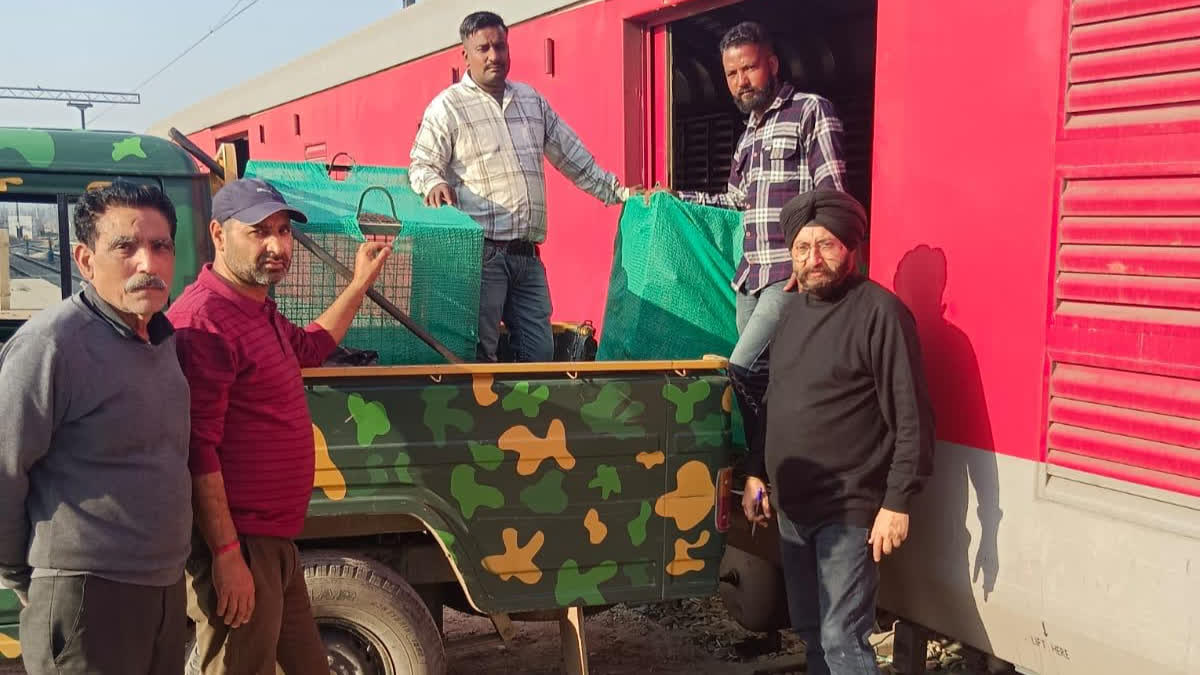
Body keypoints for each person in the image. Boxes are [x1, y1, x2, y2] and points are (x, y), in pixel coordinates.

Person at [168, 178, 389, 675]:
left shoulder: (255, 307)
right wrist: (226, 556)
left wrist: (358, 286)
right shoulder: (204, 322)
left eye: (284, 231)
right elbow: (198, 451)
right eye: (259, 232)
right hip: (242, 546)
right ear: (218, 235)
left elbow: (310, 348)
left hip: (274, 545)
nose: (277, 246)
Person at [0, 182, 192, 675]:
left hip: (164, 592)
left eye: (161, 246)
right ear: (85, 261)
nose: (148, 263)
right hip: (86, 598)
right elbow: (4, 471)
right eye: (125, 247)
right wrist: (28, 579)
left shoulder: (162, 341)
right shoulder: (52, 346)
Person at [742, 189, 934, 675]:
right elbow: (773, 402)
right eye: (802, 249)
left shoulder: (882, 315)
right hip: (792, 505)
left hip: (848, 509)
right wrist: (755, 473)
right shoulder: (788, 315)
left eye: (826, 246)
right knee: (810, 631)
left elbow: (913, 418)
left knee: (842, 638)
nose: (813, 260)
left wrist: (897, 502)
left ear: (851, 246)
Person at [666, 20, 849, 464]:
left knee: (738, 370)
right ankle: (768, 471)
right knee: (765, 379)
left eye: (748, 69)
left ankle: (751, 469)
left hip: (788, 276)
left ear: (771, 64)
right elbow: (734, 200)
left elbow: (833, 193)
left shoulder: (810, 110)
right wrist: (674, 197)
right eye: (731, 74)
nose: (740, 81)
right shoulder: (748, 131)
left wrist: (812, 265)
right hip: (749, 279)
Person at [409, 10, 635, 362]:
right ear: (464, 54)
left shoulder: (532, 102)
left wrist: (619, 194)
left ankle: (528, 419)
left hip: (528, 259)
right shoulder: (447, 108)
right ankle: (486, 419)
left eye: (499, 46)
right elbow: (422, 164)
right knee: (480, 353)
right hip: (482, 258)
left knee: (539, 352)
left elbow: (573, 158)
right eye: (483, 48)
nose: (493, 56)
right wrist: (434, 182)